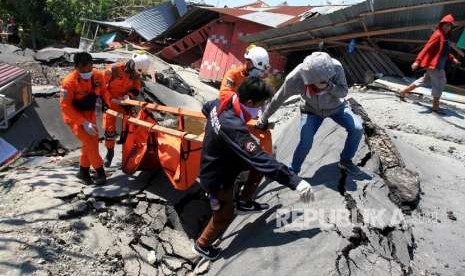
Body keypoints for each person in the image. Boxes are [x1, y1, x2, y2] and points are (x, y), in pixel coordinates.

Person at [192, 77, 315, 260]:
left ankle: (245, 202)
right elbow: (258, 157)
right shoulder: (231, 124)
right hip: (217, 178)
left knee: (257, 166)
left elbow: (205, 108)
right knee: (223, 216)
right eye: (260, 105)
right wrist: (295, 181)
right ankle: (202, 245)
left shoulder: (221, 103)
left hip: (225, 160)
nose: (260, 109)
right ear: (249, 102)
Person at [256, 52, 364, 176]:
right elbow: (277, 99)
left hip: (336, 107)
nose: (320, 85)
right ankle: (292, 172)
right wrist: (263, 118)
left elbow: (344, 92)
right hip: (310, 110)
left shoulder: (336, 68)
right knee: (305, 142)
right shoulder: (294, 79)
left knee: (357, 128)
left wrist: (330, 87)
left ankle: (346, 160)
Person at [219, 45, 272, 214]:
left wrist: (263, 118)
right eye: (257, 69)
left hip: (250, 118)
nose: (260, 74)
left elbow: (262, 100)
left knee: (266, 145)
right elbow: (224, 96)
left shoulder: (258, 79)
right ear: (248, 64)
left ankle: (247, 193)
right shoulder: (233, 75)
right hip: (232, 119)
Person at [60, 52, 107, 185]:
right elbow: (65, 107)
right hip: (74, 116)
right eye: (83, 69)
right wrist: (83, 122)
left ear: (92, 65)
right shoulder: (68, 82)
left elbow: (103, 92)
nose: (87, 72)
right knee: (91, 142)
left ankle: (83, 172)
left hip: (91, 113)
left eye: (89, 68)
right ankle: (100, 172)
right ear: (76, 67)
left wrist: (107, 105)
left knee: (89, 143)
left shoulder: (98, 76)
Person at [399, 14, 462, 112]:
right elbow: (426, 48)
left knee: (424, 80)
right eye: (445, 25)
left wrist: (453, 58)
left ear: (451, 27)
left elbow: (445, 51)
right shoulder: (437, 34)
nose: (447, 27)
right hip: (435, 65)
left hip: (437, 64)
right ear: (441, 25)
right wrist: (417, 61)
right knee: (440, 83)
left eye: (449, 25)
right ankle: (435, 106)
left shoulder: (445, 36)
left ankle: (403, 91)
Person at [102, 53, 151, 167]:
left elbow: (136, 88)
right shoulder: (113, 70)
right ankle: (110, 153)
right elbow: (100, 87)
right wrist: (109, 99)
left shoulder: (136, 74)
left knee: (132, 127)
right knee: (109, 130)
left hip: (125, 103)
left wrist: (129, 96)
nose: (134, 75)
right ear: (131, 64)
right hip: (110, 103)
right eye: (134, 71)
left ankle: (130, 151)